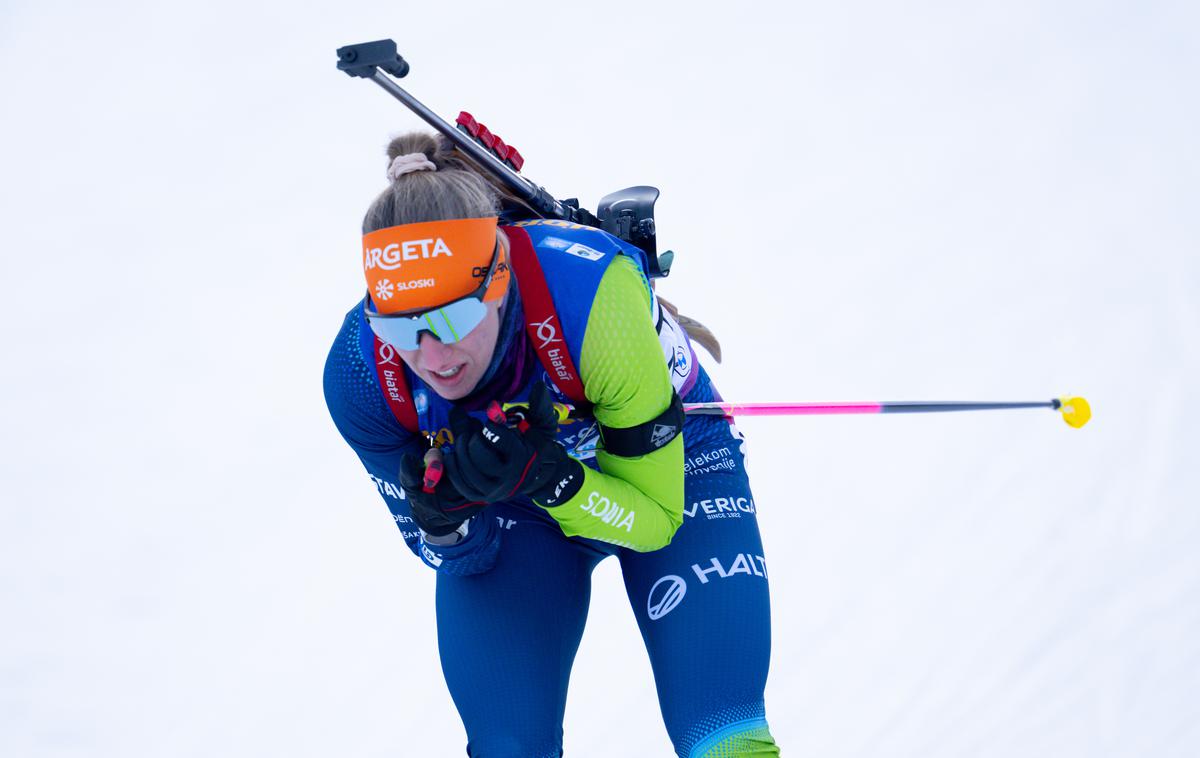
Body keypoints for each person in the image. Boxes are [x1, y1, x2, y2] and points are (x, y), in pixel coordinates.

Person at [323, 132, 780, 758]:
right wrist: (448, 523)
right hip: (518, 511)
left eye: (454, 318)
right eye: (401, 325)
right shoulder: (362, 377)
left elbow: (653, 521)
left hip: (672, 473)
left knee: (725, 735)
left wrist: (552, 479)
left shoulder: (592, 298)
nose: (432, 356)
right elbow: (459, 559)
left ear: (499, 280)